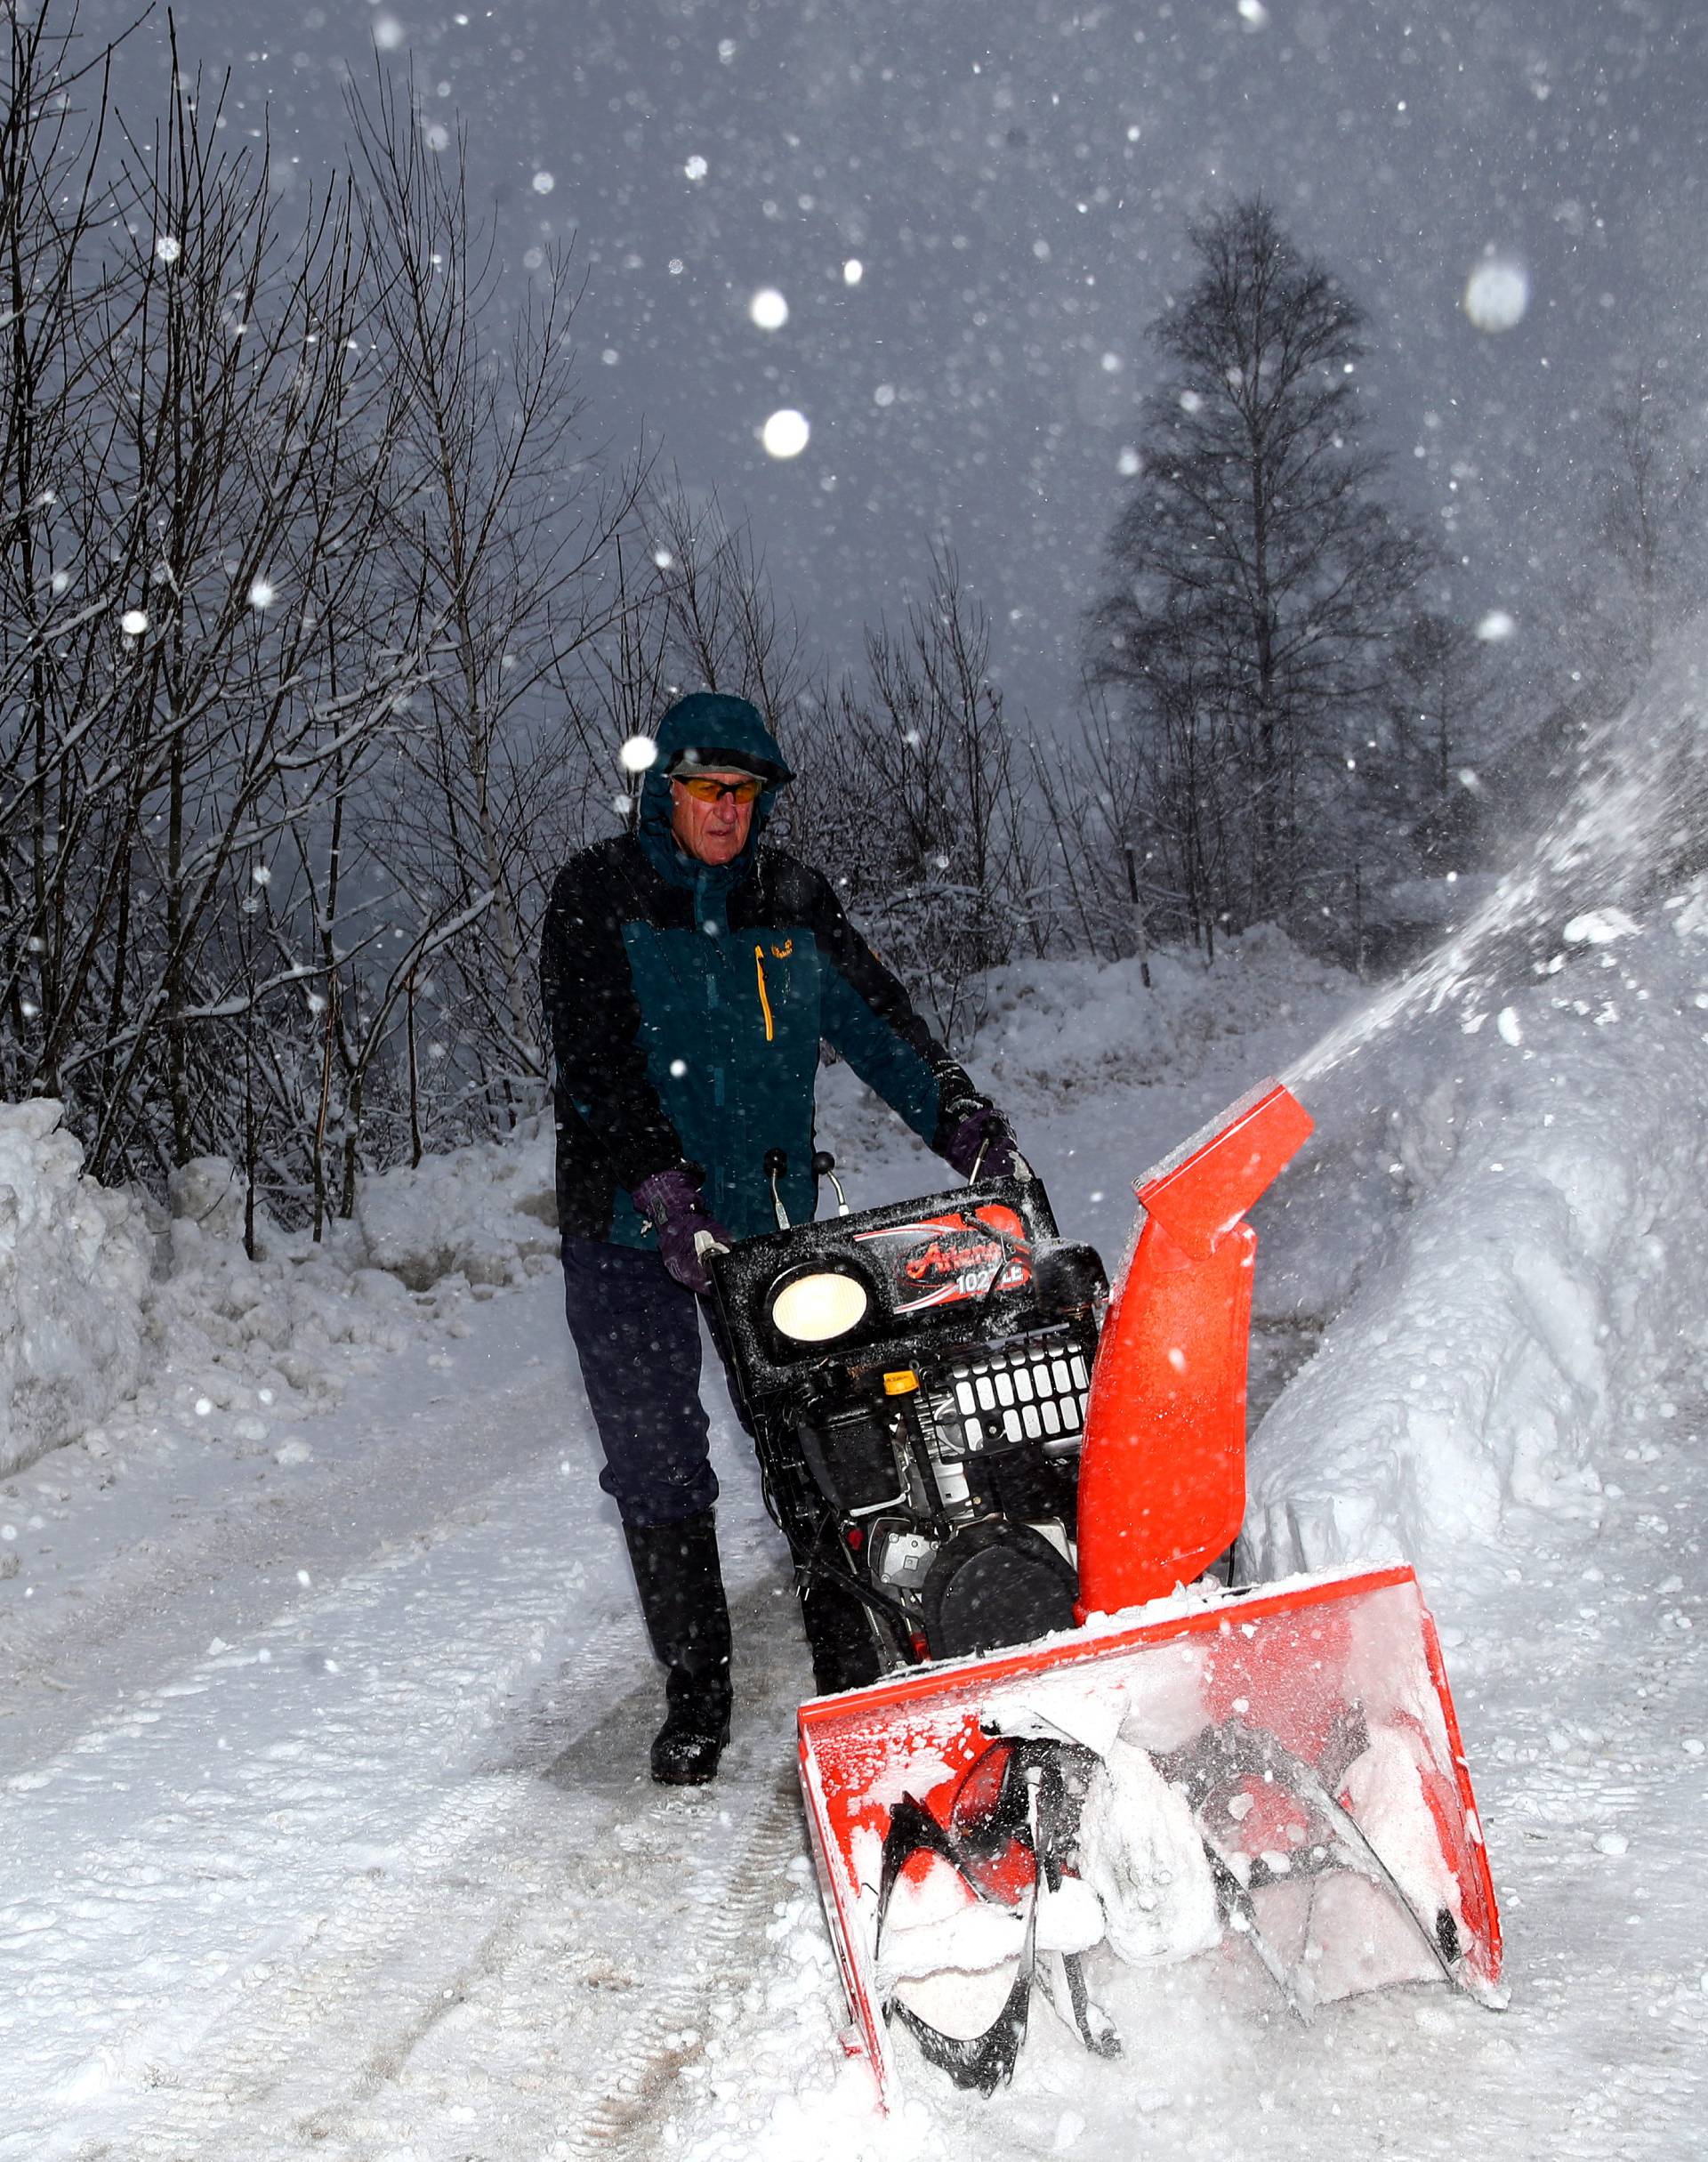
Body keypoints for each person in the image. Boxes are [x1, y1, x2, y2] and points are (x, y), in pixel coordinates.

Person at [538, 690, 1025, 1785]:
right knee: (658, 1465)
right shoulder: (597, 895)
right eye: (709, 789)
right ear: (664, 787)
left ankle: (850, 1677)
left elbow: (877, 1021)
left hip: (759, 1229)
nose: (728, 811)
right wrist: (662, 1186)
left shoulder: (791, 899)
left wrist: (961, 1122)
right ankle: (697, 1697)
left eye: (746, 793)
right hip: (628, 1230)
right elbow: (596, 1057)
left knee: (818, 1449)